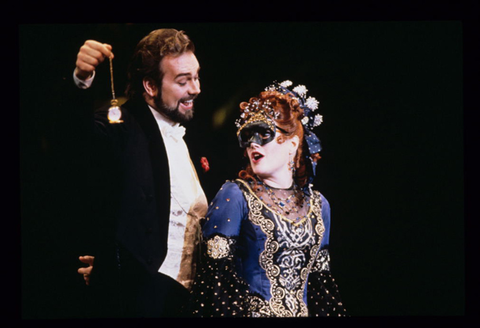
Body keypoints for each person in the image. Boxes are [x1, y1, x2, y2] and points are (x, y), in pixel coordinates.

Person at [73, 29, 208, 318]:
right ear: (150, 85)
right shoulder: (122, 127)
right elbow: (74, 138)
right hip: (143, 303)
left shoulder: (189, 136)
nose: (195, 88)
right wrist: (81, 81)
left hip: (191, 303)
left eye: (196, 77)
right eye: (183, 81)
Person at [186, 80, 347, 317]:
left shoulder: (320, 206)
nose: (253, 143)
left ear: (293, 144)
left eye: (263, 134)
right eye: (247, 136)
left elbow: (319, 288)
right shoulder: (235, 195)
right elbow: (215, 282)